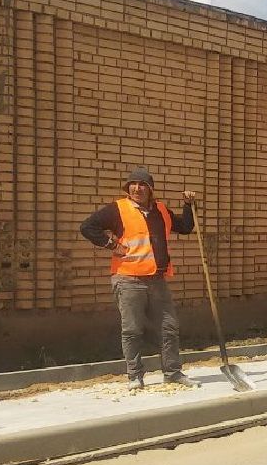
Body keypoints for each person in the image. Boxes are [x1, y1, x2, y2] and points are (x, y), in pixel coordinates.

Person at [79, 167, 198, 391]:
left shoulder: (161, 210)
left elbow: (186, 227)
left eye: (142, 184)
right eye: (132, 184)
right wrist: (111, 245)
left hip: (157, 279)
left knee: (169, 328)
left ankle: (172, 373)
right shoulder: (119, 209)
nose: (137, 188)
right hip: (128, 279)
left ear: (150, 189)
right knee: (132, 330)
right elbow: (87, 227)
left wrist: (189, 205)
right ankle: (135, 376)